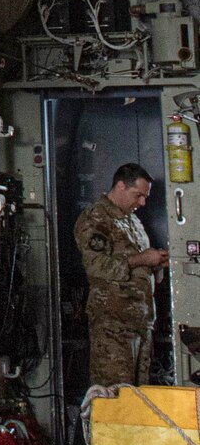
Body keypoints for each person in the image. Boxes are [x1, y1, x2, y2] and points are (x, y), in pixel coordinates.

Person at [73, 161, 168, 387]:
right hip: (113, 326)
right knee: (114, 395)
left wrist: (157, 263)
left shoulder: (131, 219)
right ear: (120, 186)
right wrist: (142, 259)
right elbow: (96, 266)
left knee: (137, 397)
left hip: (139, 324)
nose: (142, 202)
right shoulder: (96, 219)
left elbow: (137, 262)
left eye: (145, 197)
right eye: (138, 195)